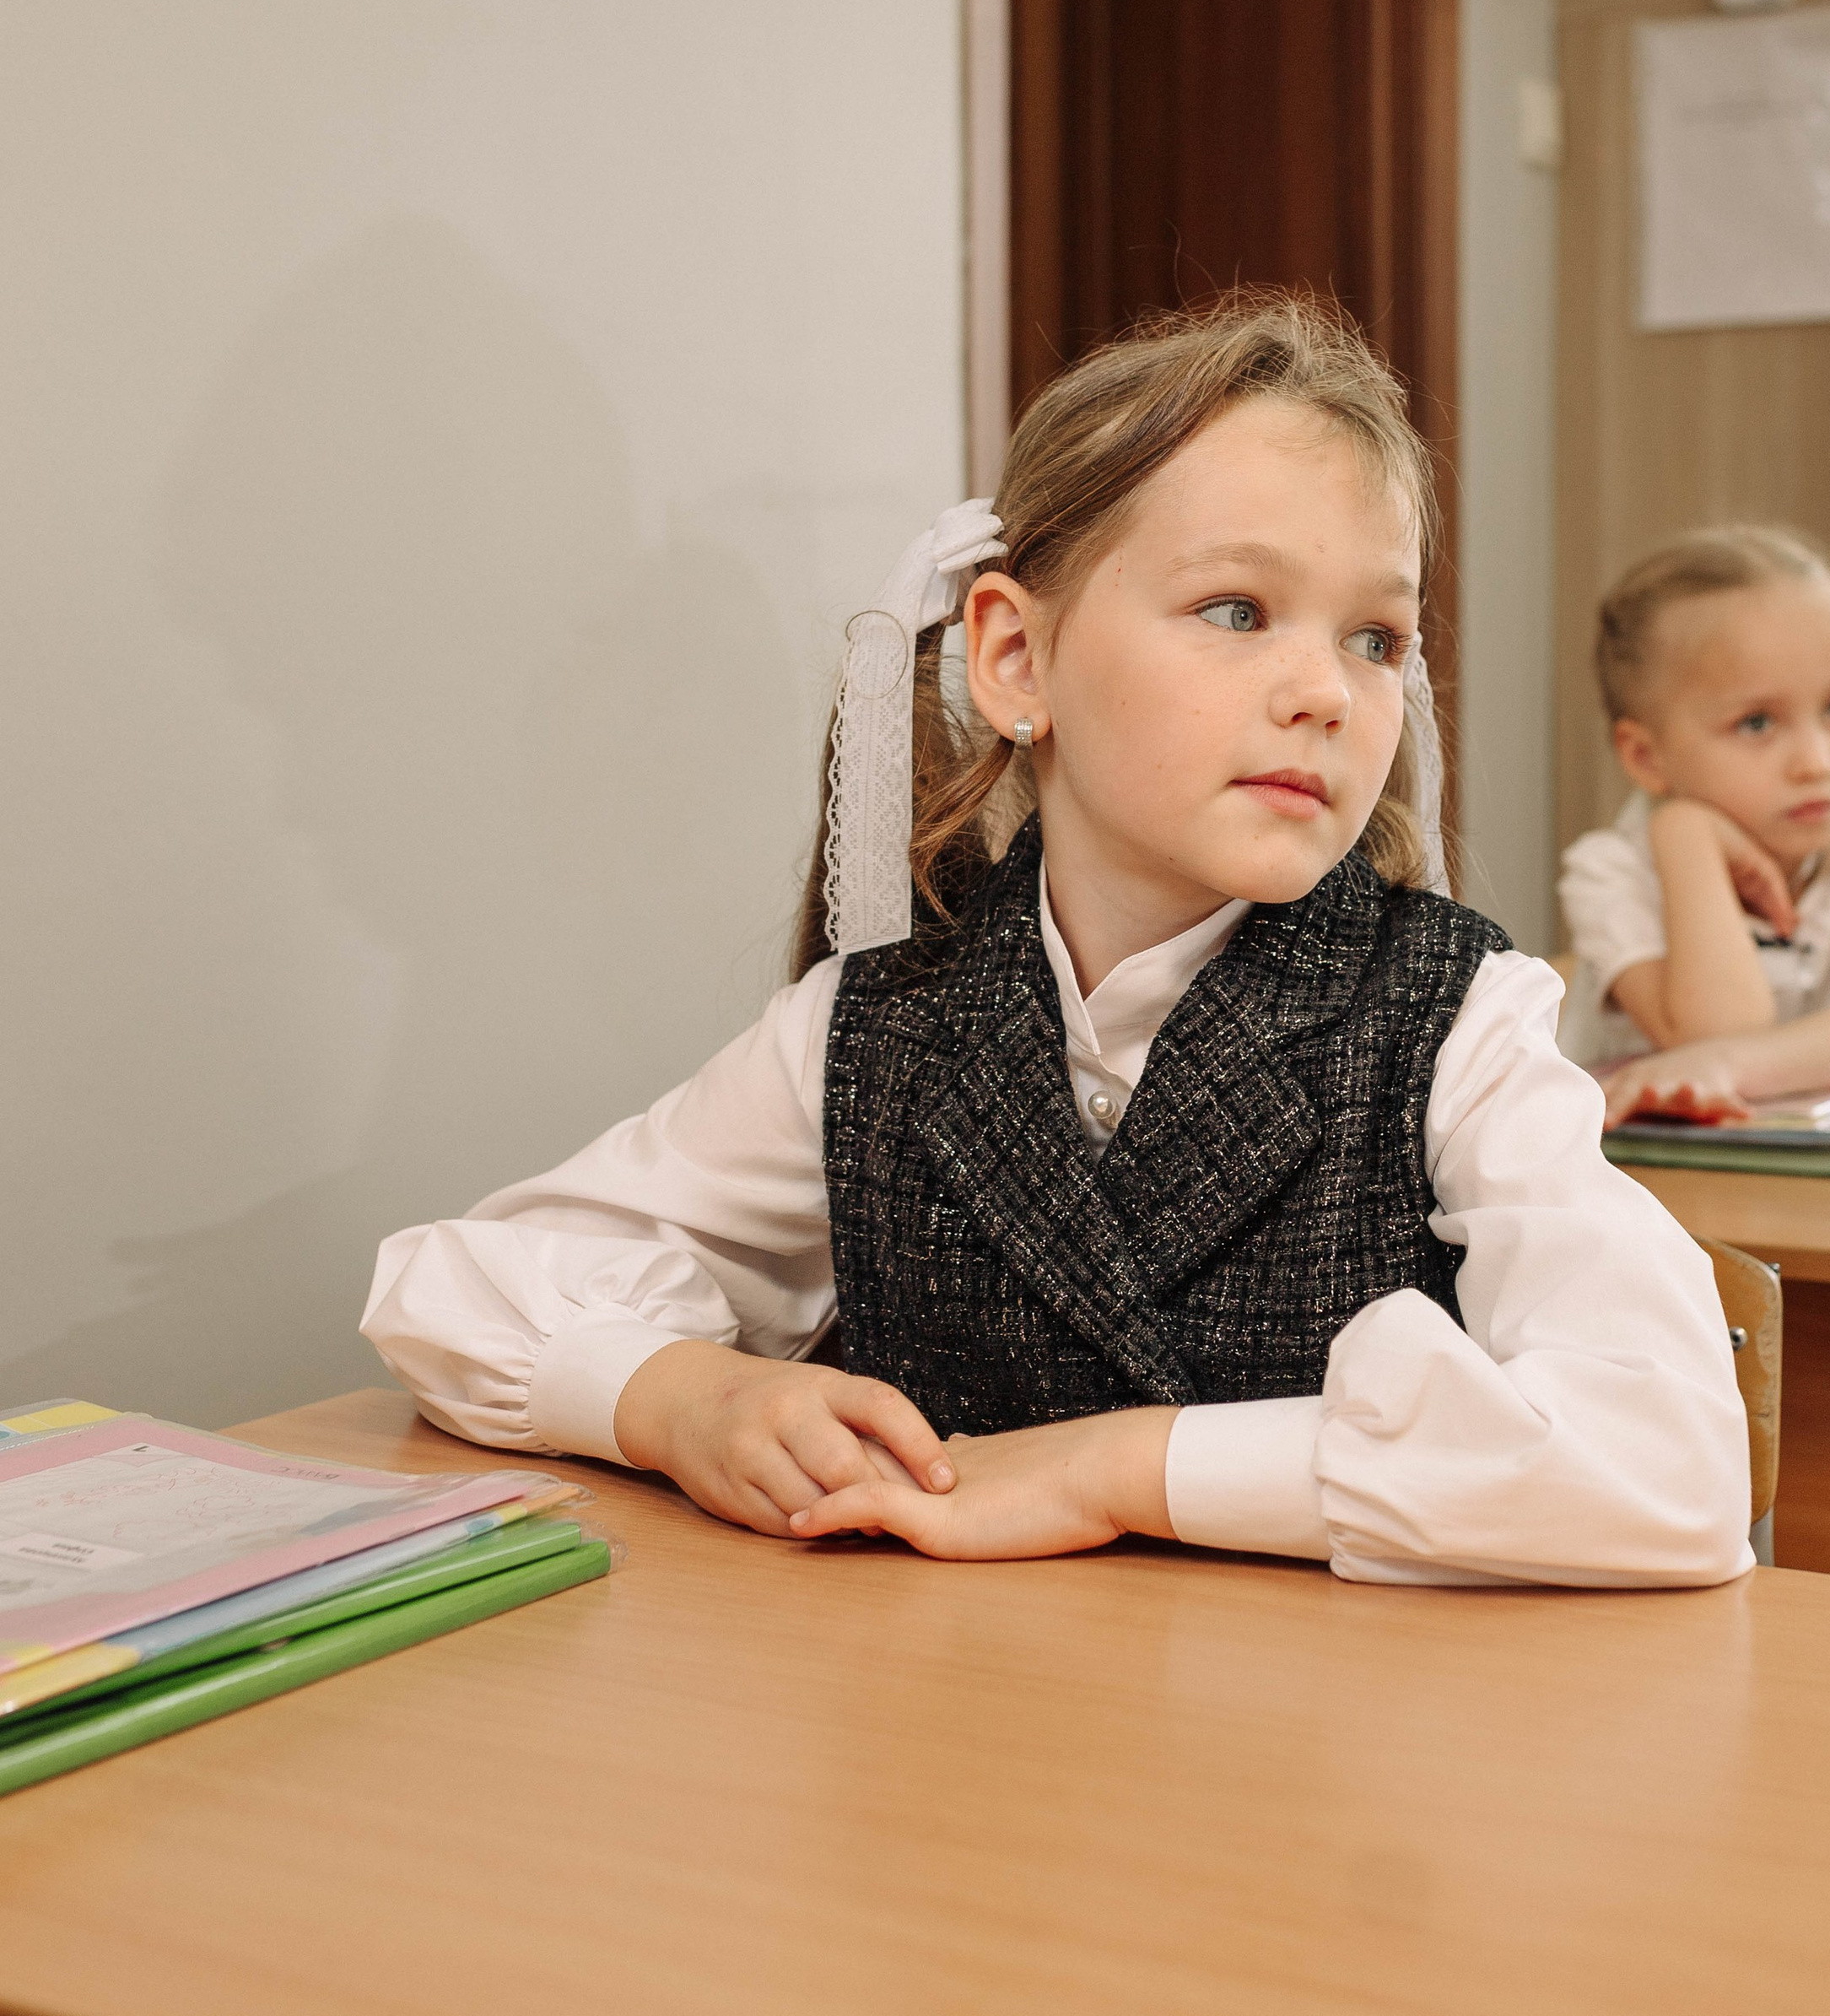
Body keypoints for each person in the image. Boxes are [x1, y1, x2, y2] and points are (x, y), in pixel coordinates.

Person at [364, 300, 1750, 1586]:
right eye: (1236, 611)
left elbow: (1670, 1458)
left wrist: (1115, 1470)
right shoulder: (875, 1028)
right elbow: (452, 1292)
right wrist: (684, 1400)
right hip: (949, 1767)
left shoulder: (1459, 1020)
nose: (1326, 690)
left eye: (1378, 637)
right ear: (1017, 660)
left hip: (1335, 1803)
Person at [1558, 527, 1830, 1127]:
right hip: (1671, 1201)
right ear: (1646, 757)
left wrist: (1722, 1066)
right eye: (1756, 723)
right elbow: (1722, 1027)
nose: (1817, 762)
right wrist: (1686, 837)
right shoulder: (1611, 873)